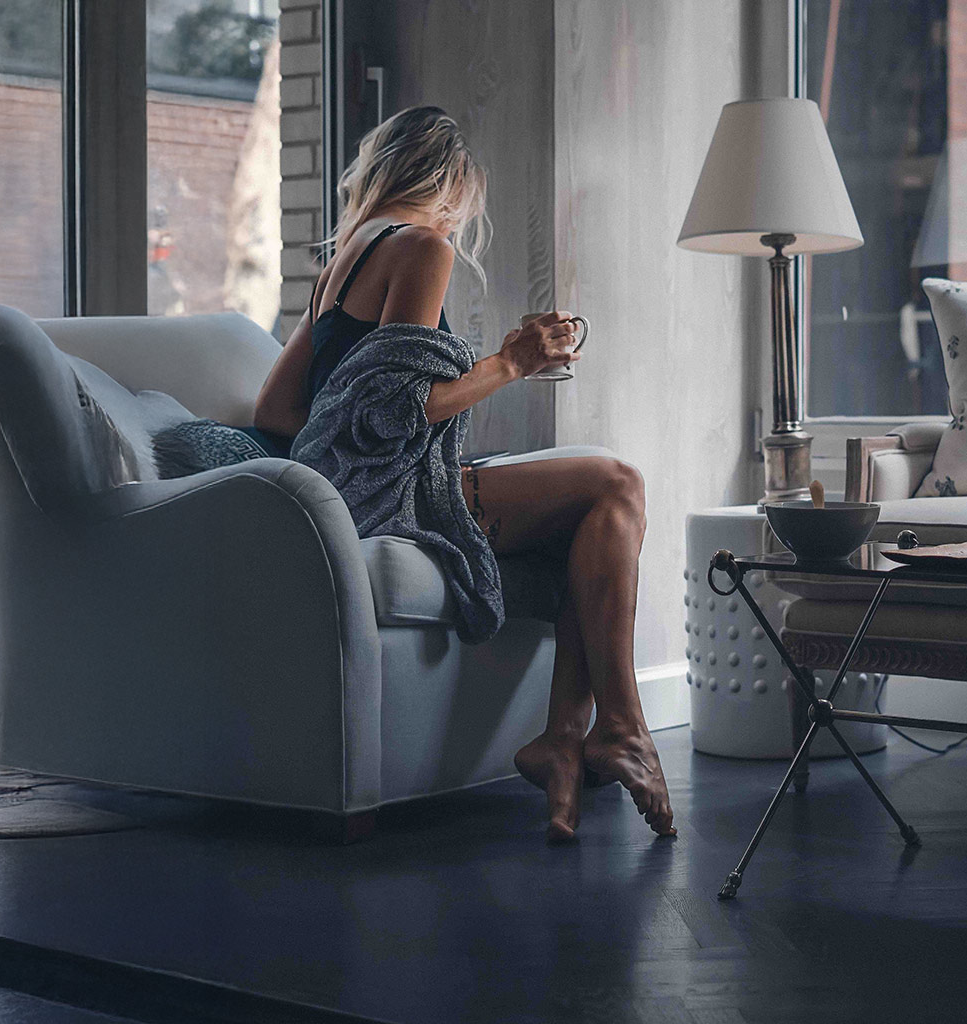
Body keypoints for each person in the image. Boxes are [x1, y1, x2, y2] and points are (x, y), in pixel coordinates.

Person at [252, 105, 673, 841]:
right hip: (389, 497)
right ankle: (621, 729)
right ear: (449, 186)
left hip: (348, 491)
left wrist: (343, 437)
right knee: (619, 485)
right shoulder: (420, 246)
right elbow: (402, 409)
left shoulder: (339, 265)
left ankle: (568, 746)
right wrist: (514, 362)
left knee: (594, 519)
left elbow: (279, 410)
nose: (456, 222)